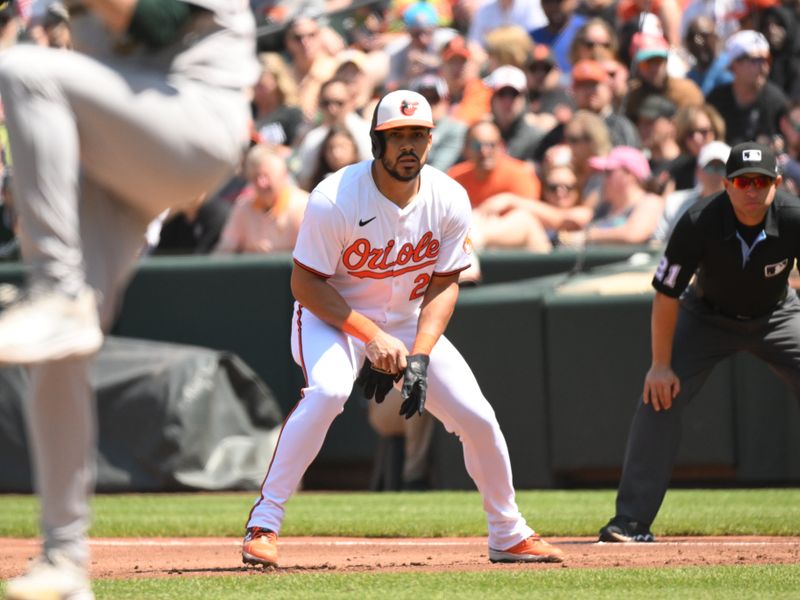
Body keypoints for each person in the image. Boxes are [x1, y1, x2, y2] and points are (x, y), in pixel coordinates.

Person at [241, 89, 564, 567]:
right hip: (333, 316)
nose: (408, 145)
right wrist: (370, 337)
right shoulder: (335, 197)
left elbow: (445, 282)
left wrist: (421, 355)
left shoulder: (449, 196)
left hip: (408, 319)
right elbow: (305, 285)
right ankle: (263, 522)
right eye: (398, 136)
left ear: (431, 141)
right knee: (328, 392)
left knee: (477, 416)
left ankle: (508, 532)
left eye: (418, 135)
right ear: (377, 141)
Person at [0, 2, 257, 598]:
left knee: (25, 70)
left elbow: (150, 18)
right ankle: (64, 560)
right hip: (114, 147)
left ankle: (58, 288)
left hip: (192, 125)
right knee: (60, 350)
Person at [599, 141, 800, 543]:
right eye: (742, 181)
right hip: (706, 316)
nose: (751, 190)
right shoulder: (698, 221)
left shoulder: (794, 216)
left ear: (777, 183)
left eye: (760, 180)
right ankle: (630, 522)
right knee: (659, 396)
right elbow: (666, 294)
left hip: (777, 315)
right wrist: (660, 365)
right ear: (726, 185)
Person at [215, 145, 308, 254]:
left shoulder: (303, 207)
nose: (261, 183)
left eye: (266, 176)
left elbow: (313, 257)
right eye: (256, 177)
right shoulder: (243, 206)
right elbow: (223, 252)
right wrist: (246, 251)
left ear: (284, 175)